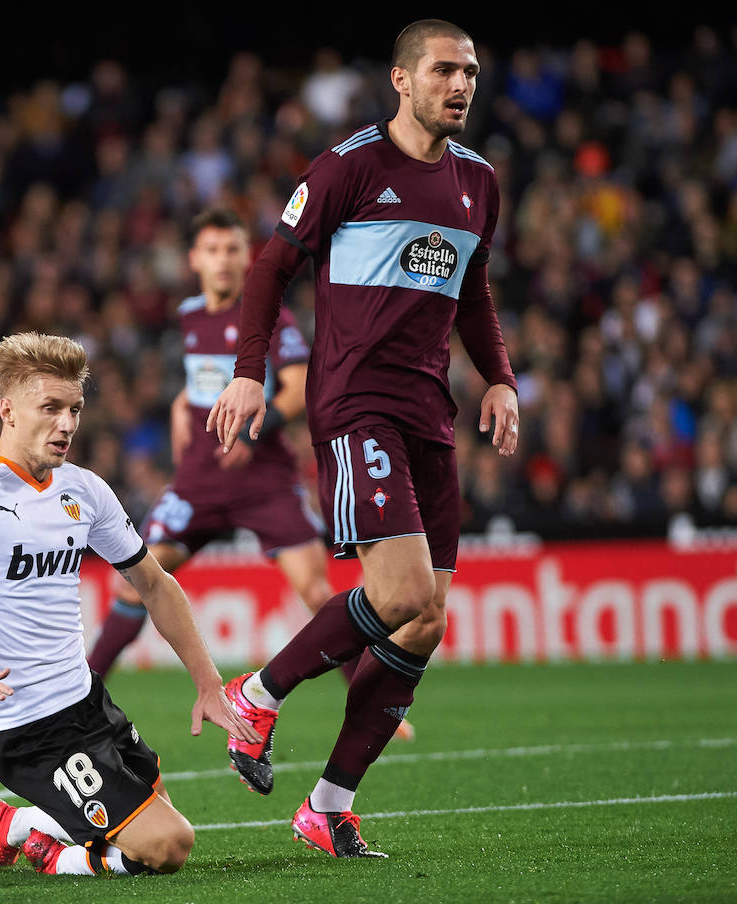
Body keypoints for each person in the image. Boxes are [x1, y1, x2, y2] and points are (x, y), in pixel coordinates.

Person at [207, 19, 520, 859]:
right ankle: (258, 693)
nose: (461, 85)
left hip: (430, 413)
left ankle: (328, 805)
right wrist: (250, 370)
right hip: (355, 404)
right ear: (401, 79)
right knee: (404, 593)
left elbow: (475, 291)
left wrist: (499, 378)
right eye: (445, 70)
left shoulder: (479, 183)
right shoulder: (349, 166)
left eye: (472, 73)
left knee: (425, 623)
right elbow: (272, 267)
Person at [0, 331, 260, 877]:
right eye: (51, 408)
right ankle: (52, 855)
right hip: (26, 727)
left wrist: (208, 683)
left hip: (88, 702)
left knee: (155, 814)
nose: (67, 424)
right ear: (7, 411)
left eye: (76, 409)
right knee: (167, 847)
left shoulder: (83, 490)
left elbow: (156, 584)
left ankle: (11, 826)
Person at [85, 207, 413, 743]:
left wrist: (252, 431)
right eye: (212, 250)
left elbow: (297, 387)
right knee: (137, 580)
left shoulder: (268, 317)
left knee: (313, 590)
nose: (222, 260)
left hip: (264, 480)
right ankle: (84, 694)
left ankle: (369, 700)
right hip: (199, 480)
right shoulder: (190, 316)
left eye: (232, 249)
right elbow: (201, 382)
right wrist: (178, 407)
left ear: (247, 257)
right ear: (194, 259)